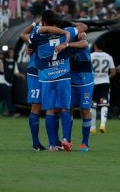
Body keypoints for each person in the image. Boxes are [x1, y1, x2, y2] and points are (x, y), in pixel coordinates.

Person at [29, 10, 86, 151]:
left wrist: (29, 48)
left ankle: (51, 145)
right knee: (65, 108)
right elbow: (84, 26)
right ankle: (66, 139)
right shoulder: (67, 31)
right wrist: (70, 27)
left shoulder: (37, 33)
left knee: (49, 110)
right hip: (63, 75)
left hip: (46, 77)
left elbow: (29, 39)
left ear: (44, 21)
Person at [20, 19, 75, 151]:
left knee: (55, 107)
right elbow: (23, 35)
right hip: (35, 73)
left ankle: (55, 142)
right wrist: (34, 23)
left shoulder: (58, 34)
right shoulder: (37, 32)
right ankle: (36, 143)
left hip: (51, 74)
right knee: (36, 106)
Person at [56, 25, 94, 152]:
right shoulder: (63, 42)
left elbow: (84, 44)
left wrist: (67, 44)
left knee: (85, 110)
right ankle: (67, 140)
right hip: (70, 82)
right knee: (67, 109)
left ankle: (85, 142)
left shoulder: (80, 40)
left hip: (86, 82)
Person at [0, 46, 25, 118]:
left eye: (12, 53)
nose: (12, 54)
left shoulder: (13, 62)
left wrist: (21, 75)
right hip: (1, 81)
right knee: (8, 97)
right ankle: (12, 112)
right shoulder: (1, 61)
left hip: (8, 82)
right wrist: (2, 59)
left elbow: (16, 72)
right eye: (10, 53)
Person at [90, 39, 116, 133]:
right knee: (104, 104)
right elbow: (113, 72)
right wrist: (106, 77)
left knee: (93, 105)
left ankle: (92, 127)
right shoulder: (108, 56)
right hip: (105, 82)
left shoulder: (91, 56)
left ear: (95, 46)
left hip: (93, 83)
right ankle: (102, 124)